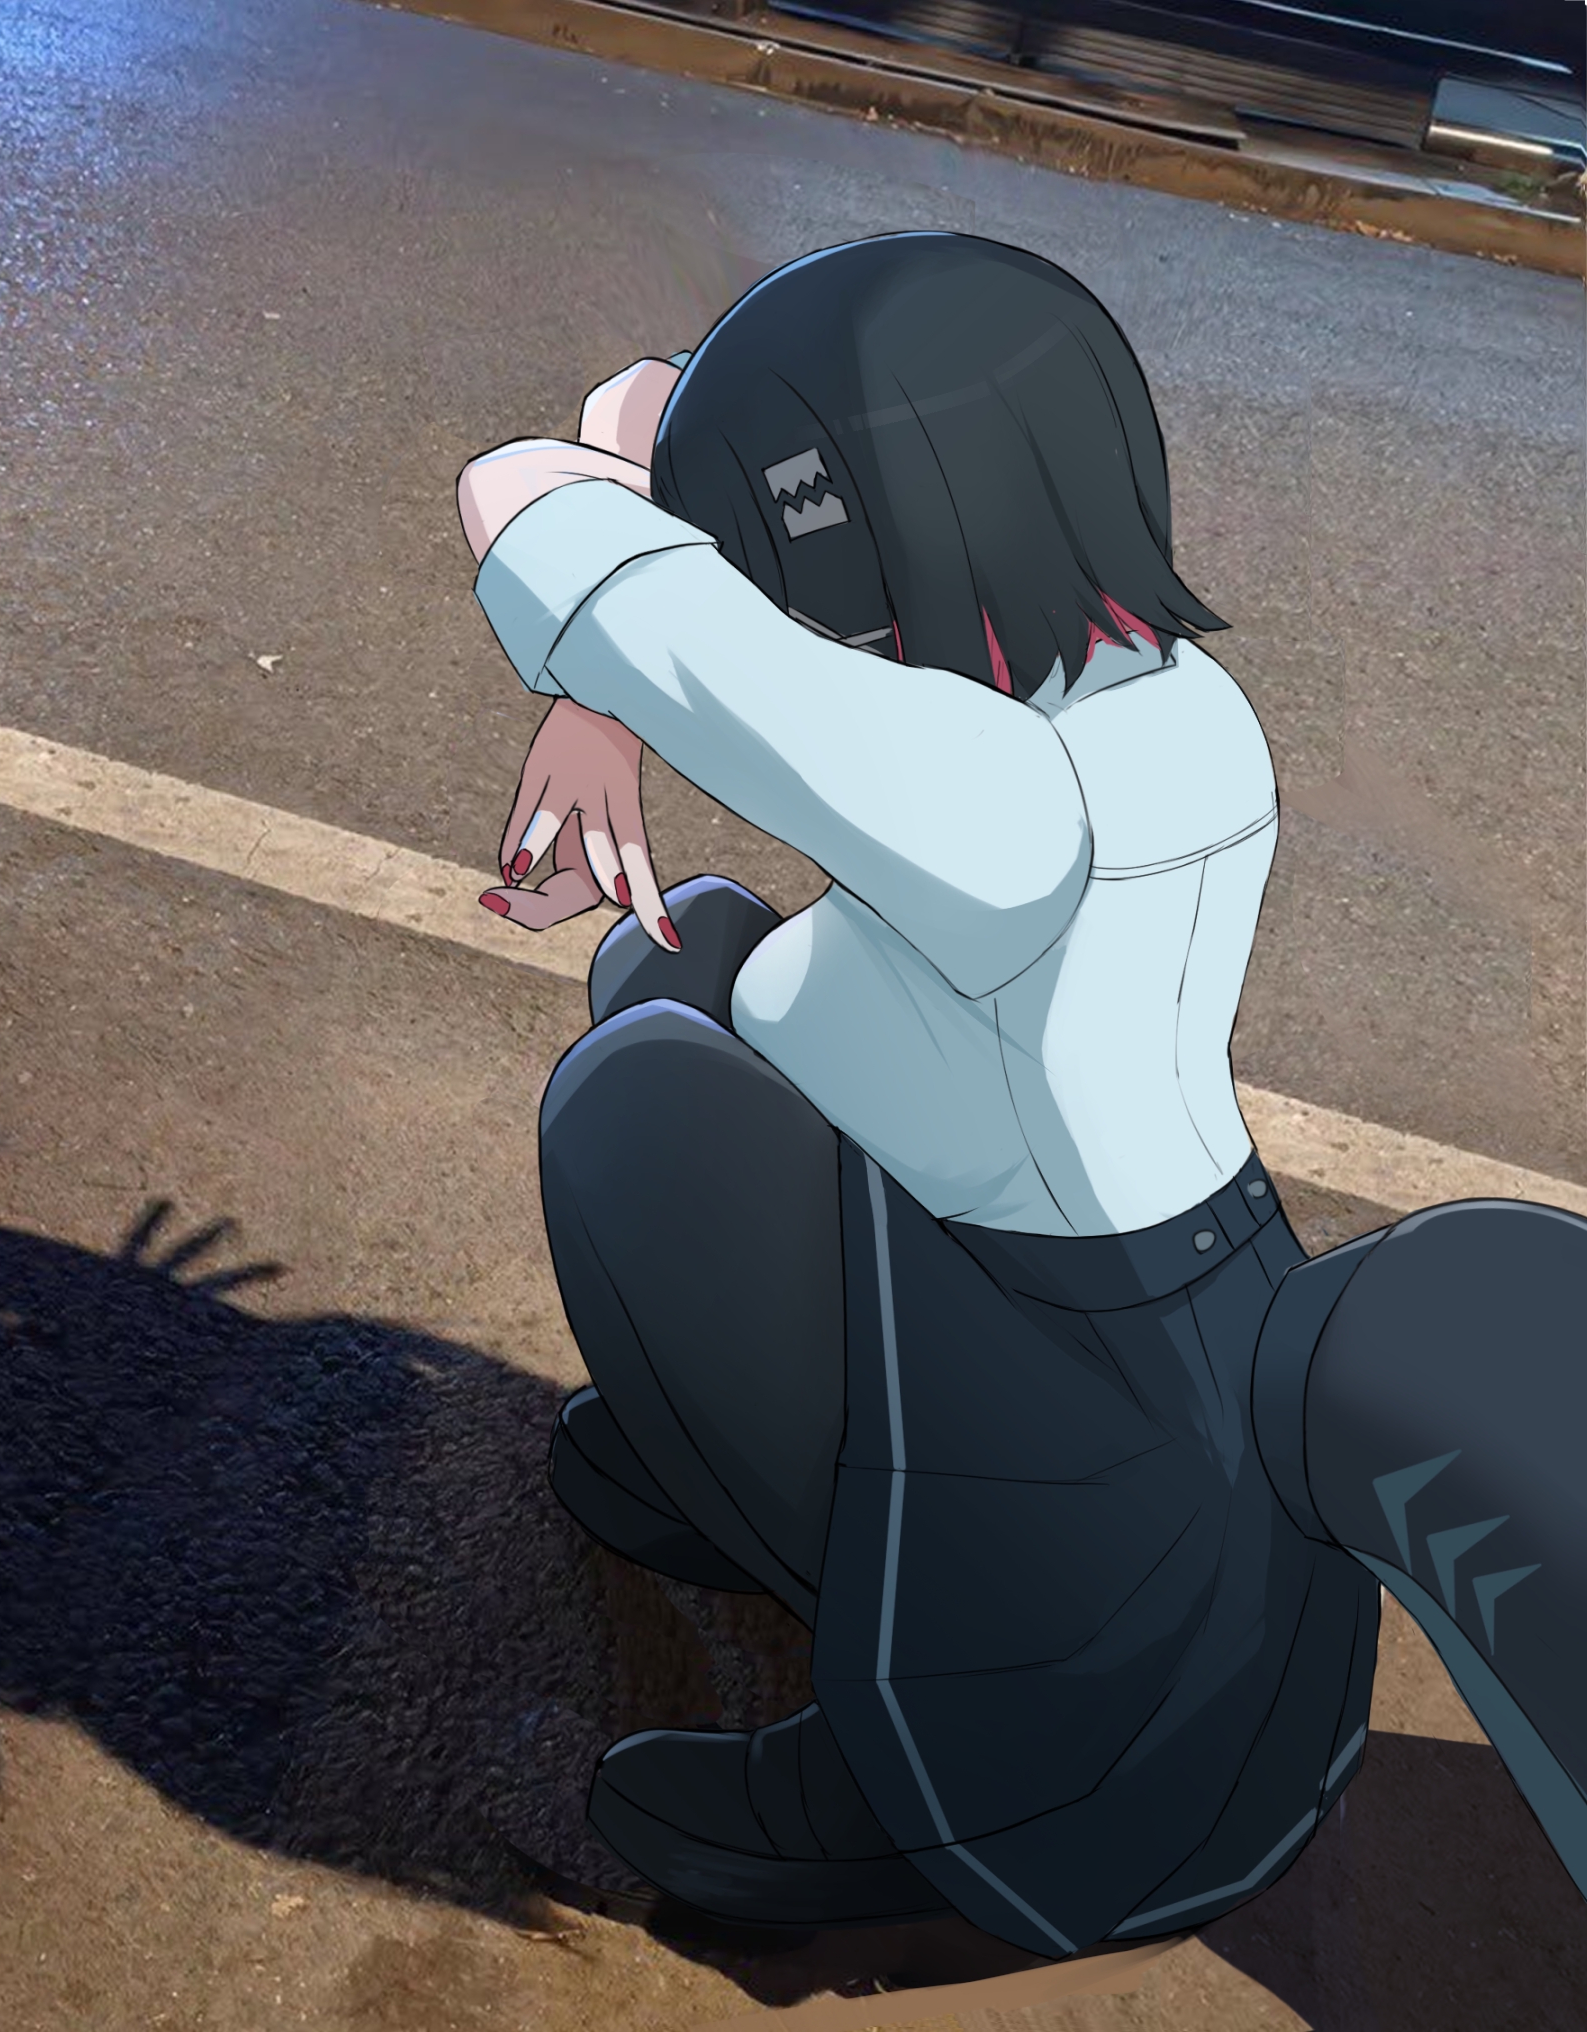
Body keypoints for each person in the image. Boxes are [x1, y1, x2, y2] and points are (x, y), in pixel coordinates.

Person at [454, 231, 1586, 1957]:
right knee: (691, 963)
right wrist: (608, 691)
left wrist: (598, 672)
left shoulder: (990, 800)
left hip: (1066, 1495)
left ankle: (902, 1800)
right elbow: (648, 422)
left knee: (640, 1101)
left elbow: (541, 502)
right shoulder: (1156, 698)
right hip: (1151, 1301)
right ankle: (741, 1490)